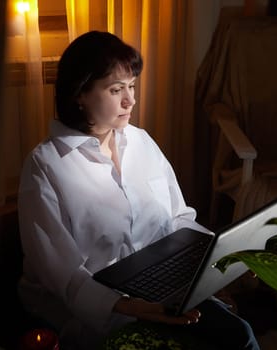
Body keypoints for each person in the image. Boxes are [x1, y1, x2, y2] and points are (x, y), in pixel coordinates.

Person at [17, 30, 261, 350]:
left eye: (131, 86)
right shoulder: (46, 167)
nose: (131, 99)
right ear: (80, 94)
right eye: (116, 89)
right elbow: (64, 277)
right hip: (92, 309)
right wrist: (131, 307)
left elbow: (178, 220)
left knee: (239, 335)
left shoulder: (141, 142)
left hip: (159, 287)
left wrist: (221, 262)